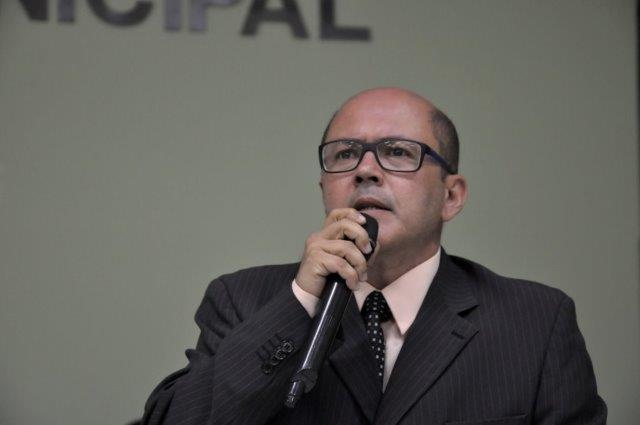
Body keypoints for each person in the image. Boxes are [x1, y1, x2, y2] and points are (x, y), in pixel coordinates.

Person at [142, 88, 607, 425]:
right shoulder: (243, 298)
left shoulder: (536, 322)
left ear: (451, 196)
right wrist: (300, 301)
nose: (365, 170)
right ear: (324, 189)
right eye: (345, 154)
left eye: (397, 152)